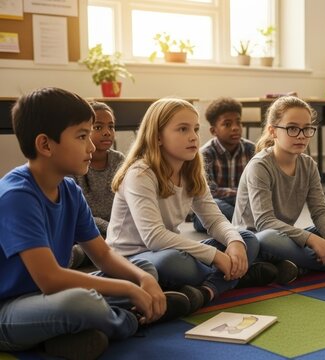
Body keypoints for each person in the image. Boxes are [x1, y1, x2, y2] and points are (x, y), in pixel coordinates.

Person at [0, 88, 189, 359]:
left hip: (50, 297)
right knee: (81, 303)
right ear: (45, 145)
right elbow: (51, 280)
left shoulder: (69, 189)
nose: (91, 146)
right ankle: (131, 320)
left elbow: (103, 254)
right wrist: (128, 289)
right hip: (9, 308)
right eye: (81, 136)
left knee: (142, 266)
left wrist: (141, 279)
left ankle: (74, 335)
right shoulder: (16, 195)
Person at [106, 98, 276, 315]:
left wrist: (234, 242)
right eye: (183, 129)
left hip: (170, 249)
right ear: (158, 136)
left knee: (247, 239)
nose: (194, 137)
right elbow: (154, 237)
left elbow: (214, 219)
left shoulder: (191, 171)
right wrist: (215, 256)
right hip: (134, 259)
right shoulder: (140, 174)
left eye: (195, 129)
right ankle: (235, 276)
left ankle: (205, 291)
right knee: (174, 262)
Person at [232, 96, 325, 285]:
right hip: (256, 241)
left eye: (307, 128)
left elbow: (320, 211)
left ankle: (301, 265)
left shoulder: (308, 164)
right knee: (268, 238)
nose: (302, 135)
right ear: (273, 131)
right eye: (292, 128)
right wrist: (313, 241)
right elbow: (265, 223)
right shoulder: (260, 166)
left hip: (288, 237)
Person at [69, 101, 125, 269]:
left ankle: (83, 254)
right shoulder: (73, 163)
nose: (107, 133)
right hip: (85, 229)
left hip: (116, 229)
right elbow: (76, 215)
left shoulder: (120, 161)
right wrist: (111, 229)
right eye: (99, 128)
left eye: (111, 127)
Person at [192, 97, 255, 232]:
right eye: (227, 124)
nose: (235, 128)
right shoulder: (205, 154)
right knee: (214, 206)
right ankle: (246, 222)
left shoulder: (251, 150)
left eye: (238, 123)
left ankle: (241, 223)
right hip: (214, 208)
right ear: (213, 131)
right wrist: (242, 194)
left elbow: (258, 186)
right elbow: (210, 192)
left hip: (243, 203)